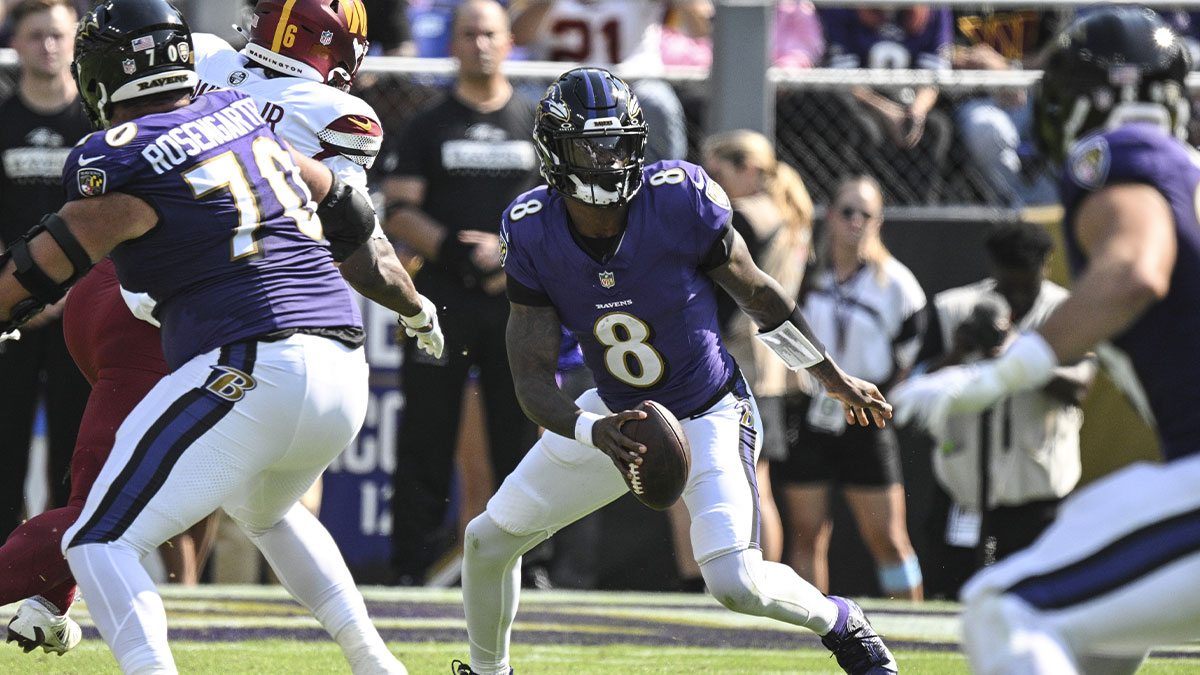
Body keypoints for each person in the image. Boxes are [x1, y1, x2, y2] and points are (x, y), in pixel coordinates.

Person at [0, 1, 443, 671]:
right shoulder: (247, 121)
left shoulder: (120, 148)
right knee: (267, 510)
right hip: (340, 359)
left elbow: (44, 262)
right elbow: (349, 216)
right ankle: (376, 661)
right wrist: (414, 306)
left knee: (97, 535)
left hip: (247, 357)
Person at [452, 67, 897, 675]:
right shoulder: (532, 229)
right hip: (617, 416)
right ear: (557, 153)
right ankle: (487, 672)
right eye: (592, 145)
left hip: (709, 408)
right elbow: (530, 379)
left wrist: (828, 374)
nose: (609, 160)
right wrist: (593, 432)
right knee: (487, 539)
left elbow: (759, 296)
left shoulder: (679, 197)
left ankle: (842, 623)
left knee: (736, 581)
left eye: (619, 142)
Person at [890, 8, 1200, 673]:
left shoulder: (1124, 154)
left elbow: (1133, 271)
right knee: (1101, 639)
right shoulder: (1187, 172)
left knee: (1004, 605)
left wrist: (997, 376)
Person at [380, 0, 543, 586]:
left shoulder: (534, 120)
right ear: (451, 43)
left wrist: (508, 254)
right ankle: (410, 566)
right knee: (425, 434)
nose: (480, 44)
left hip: (517, 304)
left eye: (490, 34)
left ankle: (535, 568)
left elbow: (558, 211)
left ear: (509, 42)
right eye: (468, 33)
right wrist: (455, 249)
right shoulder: (427, 124)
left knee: (522, 435)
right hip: (439, 303)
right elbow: (399, 210)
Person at [913, 220, 1095, 598]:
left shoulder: (1067, 311)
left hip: (1038, 486)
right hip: (962, 483)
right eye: (1006, 284)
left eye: (1025, 284)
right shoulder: (954, 308)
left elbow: (1079, 387)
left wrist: (1018, 353)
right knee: (949, 594)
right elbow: (915, 387)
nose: (1015, 296)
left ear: (1045, 267)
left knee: (1037, 600)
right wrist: (958, 353)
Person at [773, 175, 925, 601]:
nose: (855, 222)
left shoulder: (896, 284)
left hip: (867, 415)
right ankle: (811, 634)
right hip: (810, 414)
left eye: (866, 214)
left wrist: (887, 397)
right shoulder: (804, 274)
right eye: (847, 212)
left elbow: (912, 353)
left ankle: (913, 627)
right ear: (830, 216)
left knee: (889, 538)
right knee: (807, 534)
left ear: (878, 222)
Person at [701, 128, 815, 568]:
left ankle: (749, 573)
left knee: (747, 482)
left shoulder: (746, 215)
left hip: (740, 361)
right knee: (759, 480)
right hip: (774, 367)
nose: (711, 184)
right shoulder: (792, 215)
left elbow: (732, 298)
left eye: (717, 173)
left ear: (747, 169)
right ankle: (761, 574)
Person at [0, 0, 91, 542]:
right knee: (4, 442)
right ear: (16, 42)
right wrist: (18, 293)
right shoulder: (2, 119)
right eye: (36, 36)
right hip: (11, 313)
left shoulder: (97, 125)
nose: (49, 46)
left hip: (79, 312)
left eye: (58, 35)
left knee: (75, 449)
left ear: (75, 40)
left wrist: (66, 294)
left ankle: (62, 570)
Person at [508, 0, 708, 162]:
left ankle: (661, 182)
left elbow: (701, 27)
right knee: (527, 103)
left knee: (657, 102)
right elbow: (515, 35)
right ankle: (535, 180)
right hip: (555, 84)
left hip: (633, 83)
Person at [820, 6, 954, 205]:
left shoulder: (934, 9)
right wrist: (886, 111)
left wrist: (916, 112)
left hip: (910, 101)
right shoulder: (842, 7)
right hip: (864, 102)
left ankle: (921, 212)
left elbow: (933, 77)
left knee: (935, 128)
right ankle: (860, 207)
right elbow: (843, 77)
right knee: (865, 129)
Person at [950, 7, 1068, 207]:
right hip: (979, 95)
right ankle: (1021, 207)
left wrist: (1005, 68)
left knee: (1061, 125)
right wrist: (994, 76)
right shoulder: (960, 7)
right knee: (986, 129)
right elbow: (946, 51)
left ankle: (1051, 205)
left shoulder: (1050, 6)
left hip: (1036, 93)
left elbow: (1055, 54)